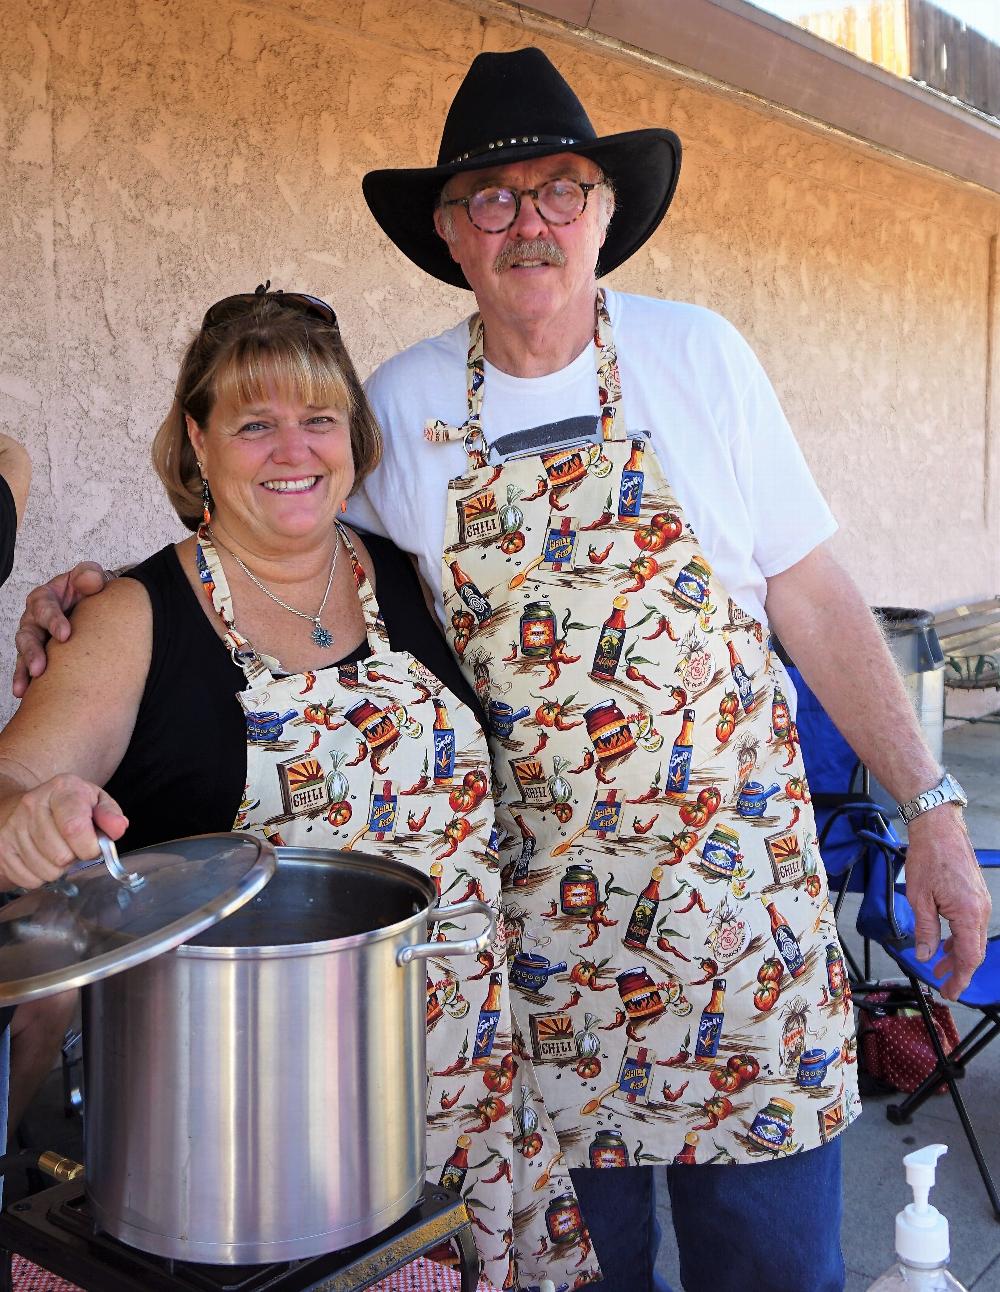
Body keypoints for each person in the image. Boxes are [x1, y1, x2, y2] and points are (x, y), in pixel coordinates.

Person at [13, 50, 991, 1292]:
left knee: (782, 1270)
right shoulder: (405, 405)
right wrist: (98, 601)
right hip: (548, 974)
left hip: (741, 940)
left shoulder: (704, 359)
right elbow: (275, 526)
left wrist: (929, 809)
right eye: (491, 197)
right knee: (594, 1276)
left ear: (604, 212)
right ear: (448, 233)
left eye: (559, 189)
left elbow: (813, 595)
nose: (527, 219)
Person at [0, 287, 583, 1288]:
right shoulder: (133, 615)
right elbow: (14, 777)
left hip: (468, 1090)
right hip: (254, 1142)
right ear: (197, 440)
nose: (292, 450)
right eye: (254, 422)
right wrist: (27, 816)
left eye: (318, 420)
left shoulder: (418, 575)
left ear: (352, 439)